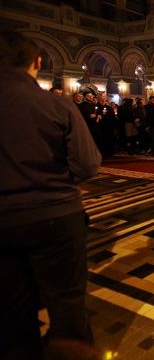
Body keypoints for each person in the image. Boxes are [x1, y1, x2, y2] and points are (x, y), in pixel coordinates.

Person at [0, 31, 102, 359]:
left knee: (11, 313)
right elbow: (88, 164)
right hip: (55, 217)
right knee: (67, 305)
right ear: (37, 62)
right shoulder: (57, 104)